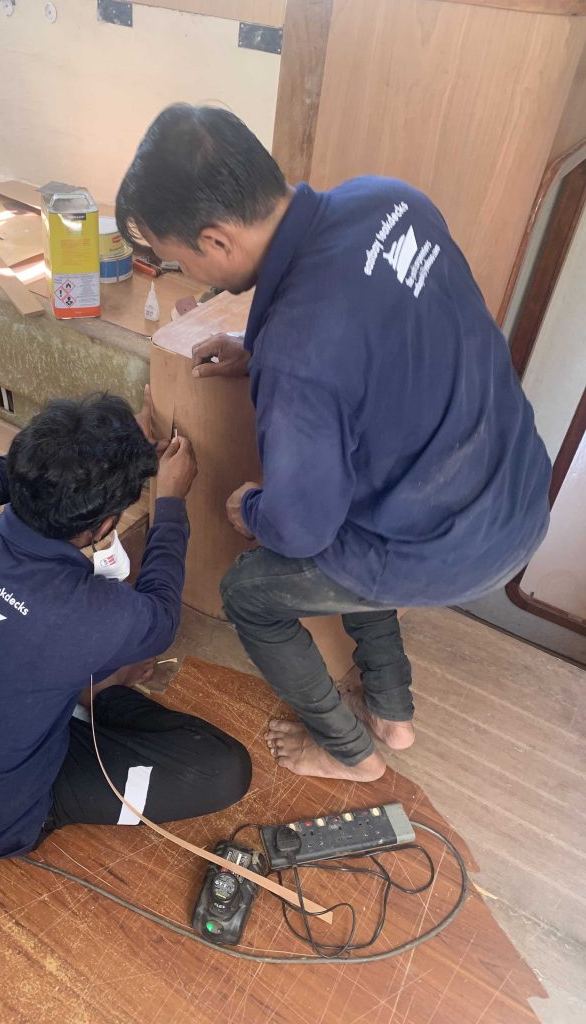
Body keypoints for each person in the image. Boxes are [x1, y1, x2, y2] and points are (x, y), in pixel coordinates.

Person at [116, 104, 552, 783]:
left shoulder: (301, 353)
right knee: (348, 525)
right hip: (517, 486)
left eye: (180, 258)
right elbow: (365, 326)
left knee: (254, 591)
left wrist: (252, 506)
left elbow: (300, 527)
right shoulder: (390, 201)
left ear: (217, 240)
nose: (188, 273)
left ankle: (351, 754)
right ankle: (393, 710)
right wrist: (258, 350)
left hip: (455, 547)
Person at [0, 391, 251, 859]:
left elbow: (4, 470)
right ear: (104, 525)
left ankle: (85, 686)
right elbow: (163, 615)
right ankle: (100, 693)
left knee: (28, 665)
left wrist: (98, 451)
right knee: (223, 770)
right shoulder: (90, 615)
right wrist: (169, 501)